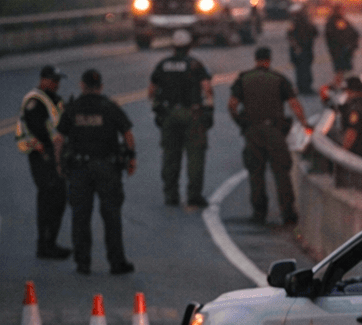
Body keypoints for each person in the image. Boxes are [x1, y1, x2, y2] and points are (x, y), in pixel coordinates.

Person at [56, 69, 136, 275]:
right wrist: (131, 158)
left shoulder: (73, 108)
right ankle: (117, 263)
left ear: (82, 85)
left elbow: (59, 139)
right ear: (100, 86)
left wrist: (59, 163)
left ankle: (83, 264)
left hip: (79, 169)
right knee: (112, 216)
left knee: (80, 216)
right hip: (107, 168)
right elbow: (127, 134)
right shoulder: (109, 107)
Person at [228, 47, 311, 226]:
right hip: (274, 132)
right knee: (282, 173)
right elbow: (294, 104)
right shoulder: (279, 79)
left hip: (253, 131)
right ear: (269, 60)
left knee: (256, 173)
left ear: (256, 59)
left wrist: (242, 123)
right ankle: (288, 213)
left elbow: (232, 105)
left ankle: (259, 213)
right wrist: (305, 125)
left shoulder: (244, 79)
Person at [148, 29, 213, 208]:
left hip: (169, 115)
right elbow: (207, 89)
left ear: (173, 46)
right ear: (189, 46)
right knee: (195, 156)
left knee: (170, 155)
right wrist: (209, 110)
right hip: (192, 114)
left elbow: (151, 92)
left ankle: (171, 194)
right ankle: (194, 195)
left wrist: (158, 109)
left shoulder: (162, 65)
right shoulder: (195, 65)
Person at [17, 65, 71, 259]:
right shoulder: (35, 101)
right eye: (54, 80)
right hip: (43, 156)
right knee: (49, 199)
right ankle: (45, 245)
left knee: (58, 199)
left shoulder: (53, 99)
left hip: (55, 155)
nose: (57, 84)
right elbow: (41, 131)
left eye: (58, 81)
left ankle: (50, 242)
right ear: (43, 79)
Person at [323, 4, 359, 95]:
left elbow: (352, 32)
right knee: (340, 69)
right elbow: (337, 36)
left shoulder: (339, 20)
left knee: (342, 69)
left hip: (343, 49)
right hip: (339, 50)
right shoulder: (335, 21)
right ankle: (337, 86)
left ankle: (339, 85)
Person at [287, 1, 318, 95]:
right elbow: (291, 37)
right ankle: (304, 88)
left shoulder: (302, 22)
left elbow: (314, 32)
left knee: (303, 69)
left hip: (303, 49)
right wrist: (296, 47)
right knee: (303, 69)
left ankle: (304, 87)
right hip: (301, 49)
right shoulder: (298, 22)